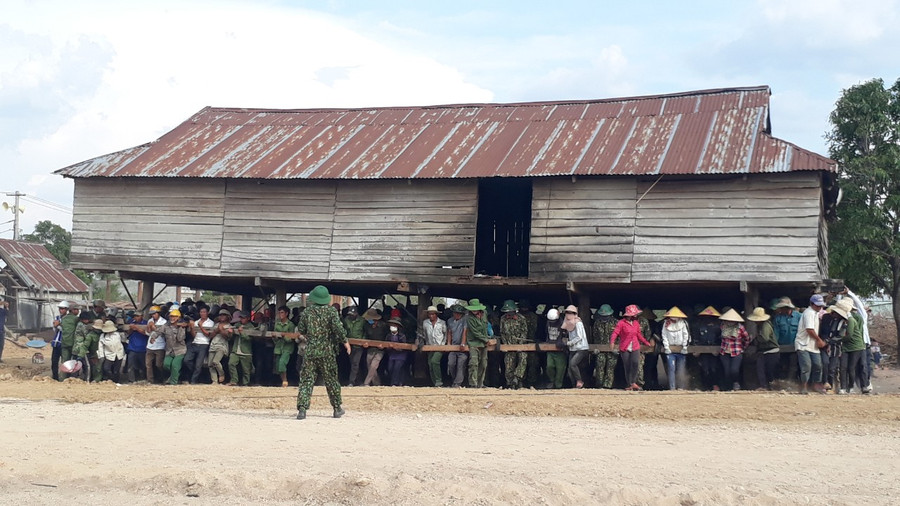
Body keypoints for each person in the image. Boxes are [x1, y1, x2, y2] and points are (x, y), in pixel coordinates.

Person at [295, 285, 349, 420]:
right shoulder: (331, 312)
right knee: (331, 380)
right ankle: (337, 409)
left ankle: (302, 410)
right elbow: (338, 329)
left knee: (306, 380)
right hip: (327, 352)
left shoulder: (307, 312)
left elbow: (301, 329)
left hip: (311, 351)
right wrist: (345, 341)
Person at [610, 304, 651, 391]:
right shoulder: (621, 323)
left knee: (635, 363)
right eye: (635, 314)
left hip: (635, 346)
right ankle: (630, 384)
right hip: (625, 347)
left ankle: (633, 382)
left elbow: (639, 334)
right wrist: (612, 342)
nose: (636, 316)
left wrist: (646, 342)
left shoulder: (636, 323)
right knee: (627, 365)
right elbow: (615, 333)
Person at [795, 294, 827, 394]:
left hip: (812, 345)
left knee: (818, 365)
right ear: (812, 304)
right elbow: (809, 329)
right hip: (803, 344)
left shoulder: (815, 313)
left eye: (821, 306)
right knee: (806, 366)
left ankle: (815, 384)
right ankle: (803, 386)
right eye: (817, 305)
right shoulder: (808, 313)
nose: (820, 307)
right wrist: (819, 340)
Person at [834, 299, 863, 394]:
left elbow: (849, 335)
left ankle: (850, 387)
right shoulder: (843, 321)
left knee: (851, 368)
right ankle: (843, 387)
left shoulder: (851, 320)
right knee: (843, 367)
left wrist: (838, 340)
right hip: (846, 347)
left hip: (856, 347)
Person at [499, 300, 528, 389]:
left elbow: (524, 332)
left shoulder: (521, 318)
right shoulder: (503, 319)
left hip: (520, 345)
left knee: (523, 359)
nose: (508, 313)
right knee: (508, 364)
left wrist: (520, 344)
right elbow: (502, 332)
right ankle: (510, 384)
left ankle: (518, 379)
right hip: (509, 346)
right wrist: (506, 344)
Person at [692, 306, 723, 391]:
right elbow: (696, 339)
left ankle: (715, 385)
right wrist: (696, 349)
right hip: (703, 351)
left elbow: (721, 339)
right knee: (705, 368)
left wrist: (718, 349)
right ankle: (706, 387)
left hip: (715, 351)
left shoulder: (719, 327)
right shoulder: (699, 326)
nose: (709, 318)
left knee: (714, 368)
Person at [748, 307, 779, 390]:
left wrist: (755, 339)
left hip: (770, 351)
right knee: (762, 369)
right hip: (766, 351)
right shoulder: (761, 326)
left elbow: (765, 338)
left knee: (766, 370)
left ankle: (768, 386)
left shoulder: (765, 326)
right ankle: (766, 386)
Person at [718, 308, 749, 391]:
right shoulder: (722, 326)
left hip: (737, 351)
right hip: (725, 351)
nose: (730, 321)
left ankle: (736, 383)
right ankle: (728, 388)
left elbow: (746, 338)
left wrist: (743, 347)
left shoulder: (740, 328)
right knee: (727, 371)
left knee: (734, 370)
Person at [661, 306, 690, 391]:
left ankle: (681, 386)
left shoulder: (684, 323)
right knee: (671, 368)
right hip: (670, 350)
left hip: (681, 349)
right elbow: (664, 335)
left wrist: (685, 347)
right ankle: (672, 387)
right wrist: (666, 347)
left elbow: (686, 335)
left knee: (681, 369)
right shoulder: (666, 323)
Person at [772, 297, 801, 381]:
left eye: (782, 308)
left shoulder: (799, 317)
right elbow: (776, 333)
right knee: (783, 365)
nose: (780, 310)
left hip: (795, 346)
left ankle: (791, 382)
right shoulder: (778, 318)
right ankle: (783, 382)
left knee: (794, 365)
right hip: (782, 346)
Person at [185, 306, 214, 384]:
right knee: (187, 360)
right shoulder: (196, 321)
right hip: (195, 342)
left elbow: (208, 334)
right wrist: (192, 328)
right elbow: (194, 335)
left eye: (204, 312)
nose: (202, 314)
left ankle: (193, 381)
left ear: (207, 313)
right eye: (201, 312)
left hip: (204, 344)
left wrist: (200, 326)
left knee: (199, 364)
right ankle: (195, 374)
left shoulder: (210, 322)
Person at [562, 305, 589, 389]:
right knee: (570, 369)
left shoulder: (578, 323)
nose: (569, 314)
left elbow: (579, 336)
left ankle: (579, 381)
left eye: (571, 313)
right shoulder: (568, 323)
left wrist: (570, 343)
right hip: (573, 348)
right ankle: (574, 386)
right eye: (567, 313)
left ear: (574, 314)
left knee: (573, 364)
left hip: (581, 348)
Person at [465, 299, 490, 388]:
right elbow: (475, 332)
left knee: (483, 364)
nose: (474, 311)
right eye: (472, 309)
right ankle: (473, 383)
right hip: (473, 342)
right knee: (474, 363)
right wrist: (486, 339)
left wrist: (487, 337)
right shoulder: (469, 318)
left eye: (475, 309)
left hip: (484, 344)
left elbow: (486, 326)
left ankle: (480, 383)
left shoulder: (485, 314)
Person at [591, 304, 617, 389]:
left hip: (613, 349)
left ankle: (608, 386)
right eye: (603, 316)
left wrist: (617, 348)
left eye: (606, 316)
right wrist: (595, 348)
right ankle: (599, 385)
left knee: (610, 367)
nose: (604, 318)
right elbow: (595, 336)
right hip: (601, 349)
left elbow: (620, 336)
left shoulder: (616, 323)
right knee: (599, 366)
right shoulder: (597, 323)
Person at [51, 301, 78, 381]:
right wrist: (57, 325)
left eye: (62, 309)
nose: (61, 310)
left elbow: (67, 330)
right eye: (60, 308)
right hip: (56, 343)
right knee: (54, 362)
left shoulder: (71, 319)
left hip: (65, 343)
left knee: (66, 361)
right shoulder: (57, 318)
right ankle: (55, 377)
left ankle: (66, 378)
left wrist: (59, 325)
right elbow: (54, 328)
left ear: (67, 309)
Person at [422, 306, 448, 387]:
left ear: (436, 314)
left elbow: (445, 334)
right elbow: (424, 334)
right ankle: (435, 383)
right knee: (430, 364)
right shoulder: (425, 323)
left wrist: (443, 344)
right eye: (429, 314)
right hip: (430, 346)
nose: (431, 316)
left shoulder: (442, 323)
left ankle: (439, 381)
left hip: (439, 346)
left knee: (434, 361)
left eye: (433, 314)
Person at [161, 308, 188, 385]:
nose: (172, 318)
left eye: (174, 317)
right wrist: (153, 337)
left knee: (175, 365)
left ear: (178, 318)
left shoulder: (182, 326)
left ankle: (173, 382)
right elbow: (159, 331)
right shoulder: (166, 326)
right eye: (171, 316)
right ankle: (174, 376)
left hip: (180, 350)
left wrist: (180, 327)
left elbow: (180, 338)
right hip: (169, 350)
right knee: (166, 364)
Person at [361, 308, 388, 386]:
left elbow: (387, 337)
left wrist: (384, 345)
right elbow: (365, 335)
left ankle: (366, 383)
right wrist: (365, 342)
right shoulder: (367, 325)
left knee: (374, 365)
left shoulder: (383, 326)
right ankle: (377, 383)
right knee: (370, 366)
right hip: (370, 348)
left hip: (380, 350)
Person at [228, 311, 255, 386]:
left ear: (248, 318)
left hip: (246, 351)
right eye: (241, 318)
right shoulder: (237, 325)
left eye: (243, 318)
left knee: (246, 369)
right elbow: (231, 337)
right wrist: (230, 332)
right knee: (231, 363)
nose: (241, 319)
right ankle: (234, 380)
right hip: (236, 349)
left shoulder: (251, 327)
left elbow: (249, 339)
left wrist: (242, 333)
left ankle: (245, 383)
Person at [446, 304, 468, 388]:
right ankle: (454, 379)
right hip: (453, 346)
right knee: (451, 363)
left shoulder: (465, 320)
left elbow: (465, 331)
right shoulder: (450, 321)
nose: (457, 315)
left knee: (461, 363)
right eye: (455, 313)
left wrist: (463, 343)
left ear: (462, 314)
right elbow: (449, 332)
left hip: (462, 347)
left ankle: (457, 383)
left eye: (459, 313)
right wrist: (448, 343)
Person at [208, 309, 233, 384]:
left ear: (227, 317)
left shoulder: (229, 326)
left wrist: (221, 330)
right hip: (213, 344)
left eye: (224, 315)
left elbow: (228, 337)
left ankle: (221, 374)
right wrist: (216, 330)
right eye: (220, 315)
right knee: (210, 364)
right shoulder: (216, 325)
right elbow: (211, 336)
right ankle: (214, 380)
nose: (221, 316)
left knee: (215, 361)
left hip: (222, 345)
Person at [273, 306, 296, 387]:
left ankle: (285, 380)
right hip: (278, 347)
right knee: (277, 366)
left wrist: (284, 336)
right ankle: (282, 380)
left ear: (286, 313)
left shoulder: (290, 325)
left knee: (282, 363)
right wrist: (275, 337)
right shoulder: (277, 324)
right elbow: (275, 340)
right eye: (279, 312)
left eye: (282, 312)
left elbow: (291, 339)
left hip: (287, 348)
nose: (280, 314)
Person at [343, 306, 366, 386]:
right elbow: (343, 331)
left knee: (355, 363)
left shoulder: (362, 321)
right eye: (350, 314)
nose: (351, 316)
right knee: (353, 363)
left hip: (359, 346)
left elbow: (366, 331)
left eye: (353, 314)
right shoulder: (346, 320)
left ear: (356, 313)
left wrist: (363, 340)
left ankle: (351, 381)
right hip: (349, 345)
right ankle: (359, 380)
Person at [71, 311, 95, 381]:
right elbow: (87, 335)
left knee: (75, 365)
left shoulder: (79, 324)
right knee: (87, 365)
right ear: (82, 319)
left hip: (75, 348)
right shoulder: (82, 325)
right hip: (82, 348)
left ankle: (73, 379)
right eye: (86, 319)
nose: (87, 320)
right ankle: (87, 380)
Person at [124, 310, 148, 382]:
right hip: (132, 347)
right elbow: (128, 333)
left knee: (143, 365)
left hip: (142, 348)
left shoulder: (146, 323)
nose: (136, 318)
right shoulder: (131, 322)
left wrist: (137, 328)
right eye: (135, 316)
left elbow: (147, 333)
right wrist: (131, 328)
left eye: (138, 316)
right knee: (131, 365)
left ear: (142, 316)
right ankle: (131, 380)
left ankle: (143, 378)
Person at [145, 306, 166, 383]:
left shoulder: (164, 322)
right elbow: (147, 333)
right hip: (150, 345)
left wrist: (154, 328)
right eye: (152, 314)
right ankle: (150, 380)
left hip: (160, 345)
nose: (153, 315)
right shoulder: (150, 321)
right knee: (148, 364)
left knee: (159, 364)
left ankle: (161, 378)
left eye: (154, 314)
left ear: (158, 313)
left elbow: (163, 334)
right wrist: (149, 328)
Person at [385, 318, 408, 386]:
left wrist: (397, 348)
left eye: (394, 325)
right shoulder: (388, 336)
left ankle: (394, 383)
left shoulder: (402, 336)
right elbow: (385, 344)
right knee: (390, 368)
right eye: (391, 325)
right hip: (392, 355)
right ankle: (399, 381)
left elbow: (404, 346)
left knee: (397, 368)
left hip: (401, 355)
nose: (392, 327)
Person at [0, 296, 8, 363]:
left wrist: (6, 306)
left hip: (1, 330)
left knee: (1, 345)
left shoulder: (2, 311)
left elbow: (7, 313)